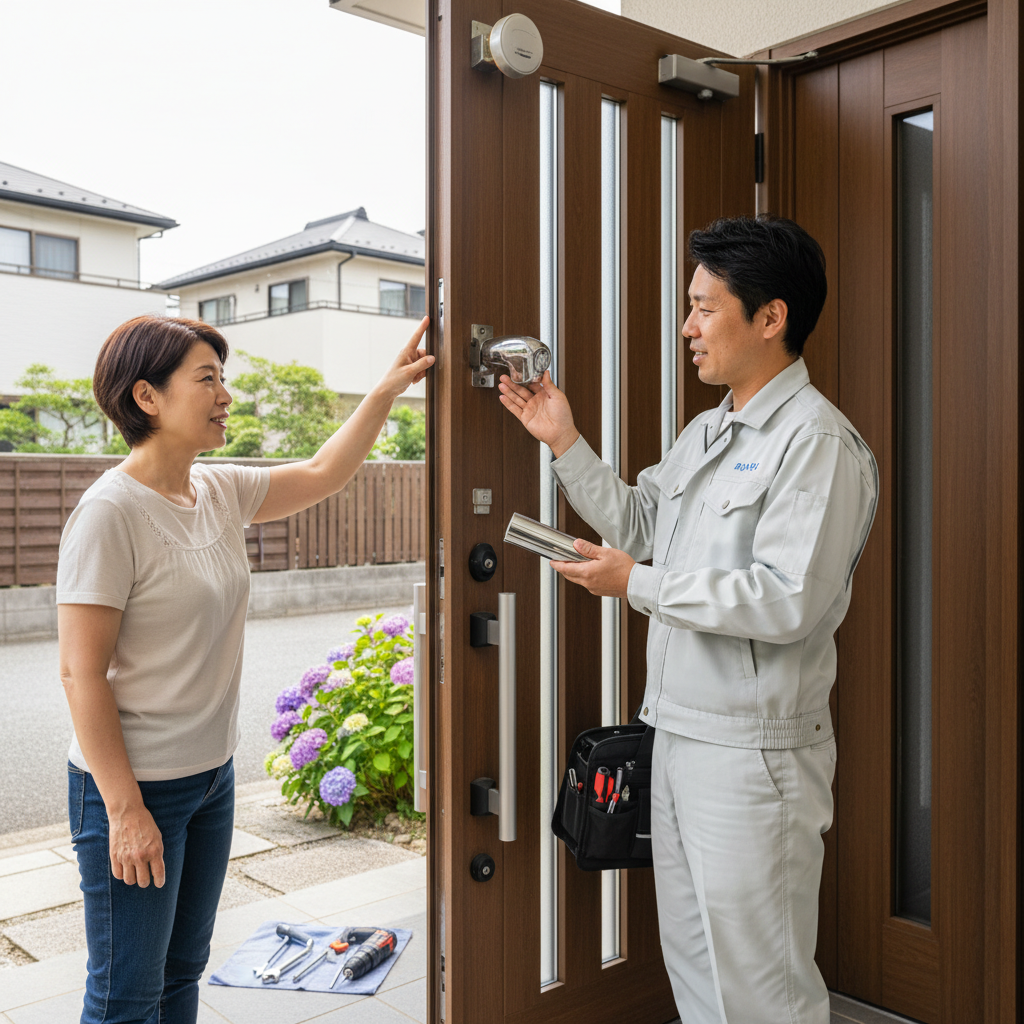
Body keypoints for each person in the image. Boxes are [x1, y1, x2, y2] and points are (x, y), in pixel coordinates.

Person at [498, 215, 878, 1024]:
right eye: (690, 305)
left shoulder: (817, 444)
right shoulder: (709, 430)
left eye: (706, 307)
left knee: (763, 989)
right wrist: (563, 439)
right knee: (698, 972)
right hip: (676, 738)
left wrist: (635, 584)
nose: (688, 326)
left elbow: (786, 599)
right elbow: (641, 525)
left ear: (771, 317)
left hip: (753, 757)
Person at [57, 313, 432, 1023]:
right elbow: (81, 675)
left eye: (222, 377)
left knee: (181, 975)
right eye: (207, 379)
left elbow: (324, 473)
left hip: (209, 779)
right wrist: (126, 810)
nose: (225, 393)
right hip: (134, 790)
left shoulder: (218, 491)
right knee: (124, 996)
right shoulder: (109, 513)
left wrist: (385, 390)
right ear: (147, 397)